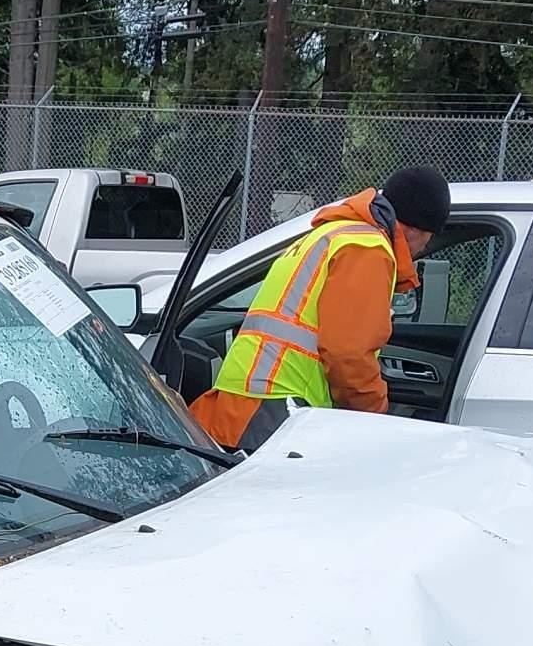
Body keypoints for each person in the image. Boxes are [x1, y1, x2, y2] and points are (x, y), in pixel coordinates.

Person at [184, 166, 451, 451]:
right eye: (429, 237)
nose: (424, 248)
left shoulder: (331, 235)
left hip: (241, 405)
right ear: (416, 228)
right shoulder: (368, 249)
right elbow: (349, 355)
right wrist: (376, 418)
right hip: (276, 411)